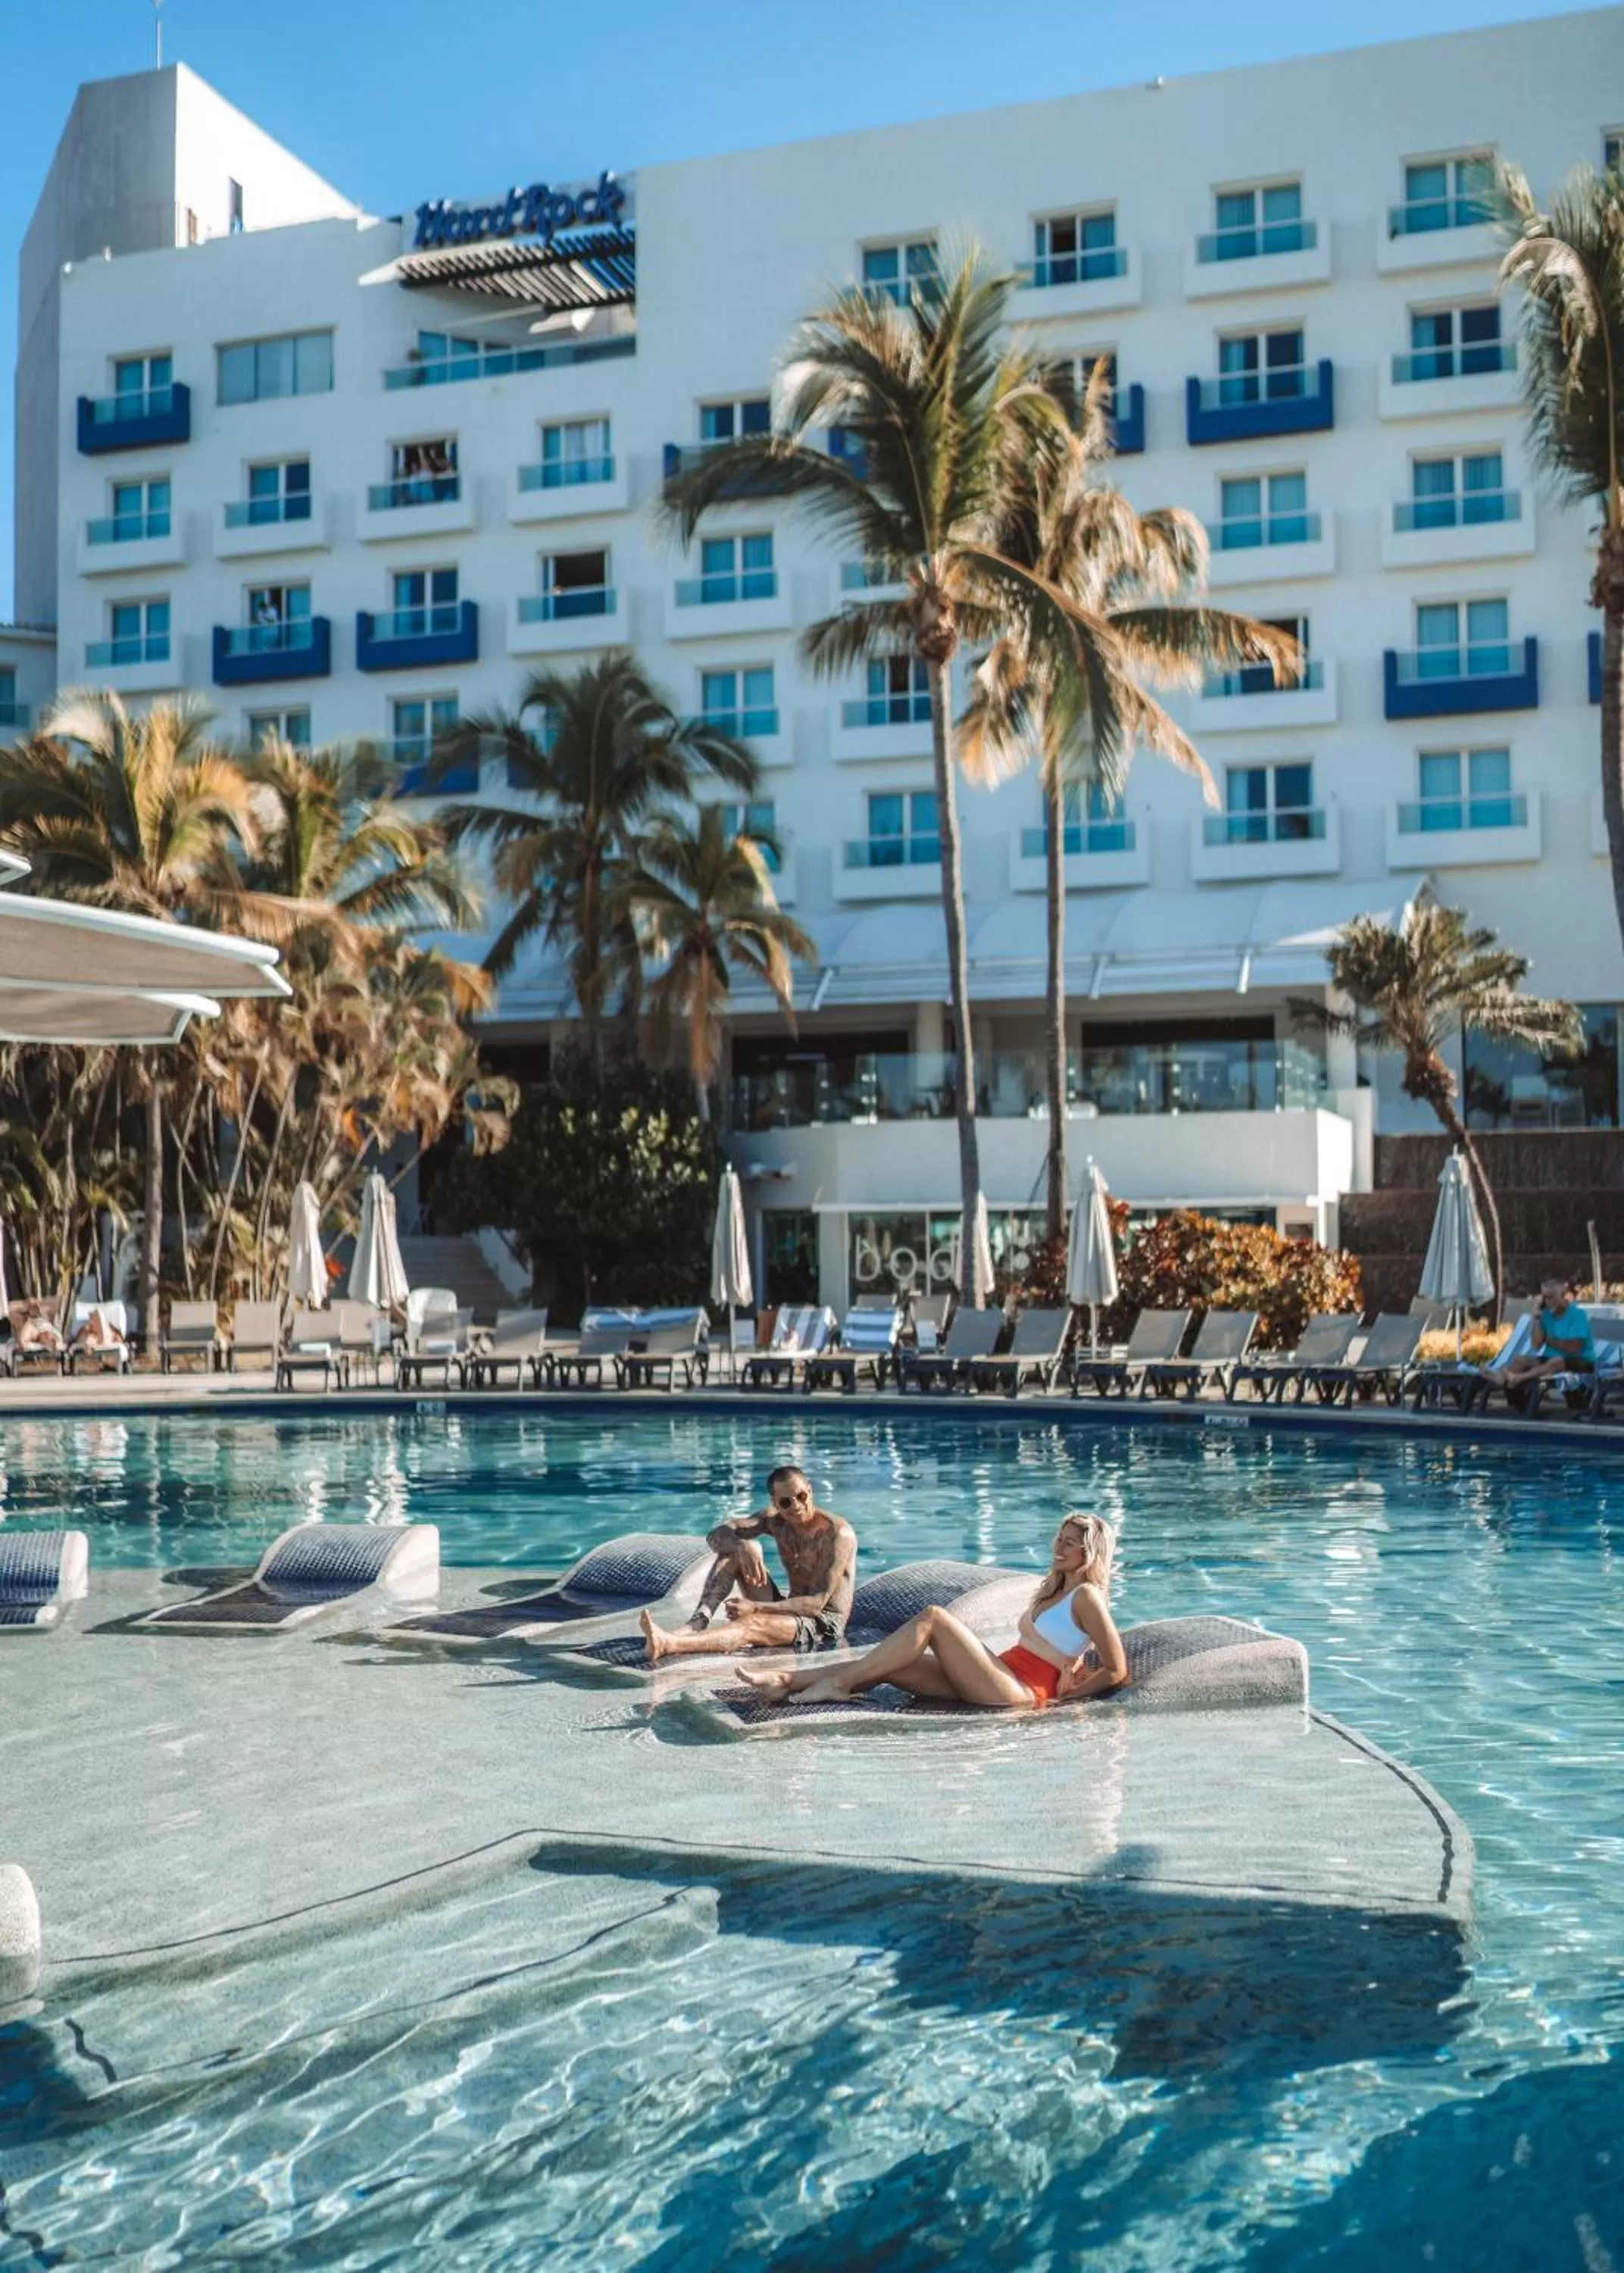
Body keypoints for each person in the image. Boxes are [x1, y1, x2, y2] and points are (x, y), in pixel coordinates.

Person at [739, 1510, 1127, 1711]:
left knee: (934, 1618)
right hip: (1000, 1672)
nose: (1060, 1547)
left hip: (1021, 1691)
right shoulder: (1056, 1589)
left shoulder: (1088, 1596)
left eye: (1072, 1543)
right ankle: (787, 1681)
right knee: (888, 1663)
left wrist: (1068, 1698)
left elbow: (1116, 1668)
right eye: (1060, 1537)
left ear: (1090, 1552)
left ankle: (836, 1685)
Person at [640, 1464, 856, 1665]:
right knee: (732, 1554)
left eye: (801, 1496)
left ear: (810, 1490)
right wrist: (742, 1545)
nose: (796, 1506)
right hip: (791, 1609)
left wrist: (755, 1608)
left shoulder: (836, 1534)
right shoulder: (776, 1521)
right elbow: (715, 1536)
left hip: (822, 1623)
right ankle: (697, 1623)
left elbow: (816, 1604)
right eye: (786, 1502)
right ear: (774, 1503)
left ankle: (668, 1644)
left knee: (751, 1624)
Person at [1503, 1277, 1596, 1392]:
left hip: (1580, 1362)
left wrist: (1549, 1341)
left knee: (1556, 1362)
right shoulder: (1546, 1315)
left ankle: (1518, 1378)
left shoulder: (1578, 1314)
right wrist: (1536, 1318)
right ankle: (1503, 1381)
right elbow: (1536, 1345)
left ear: (1563, 1295)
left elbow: (1574, 1348)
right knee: (1521, 1360)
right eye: (1545, 1297)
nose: (1548, 1301)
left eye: (1551, 1297)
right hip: (1550, 1360)